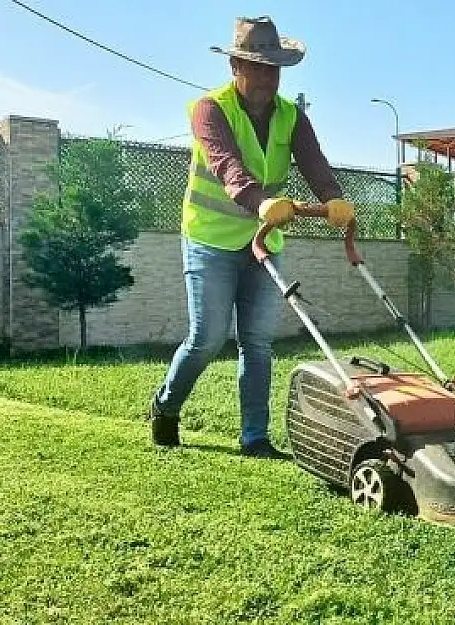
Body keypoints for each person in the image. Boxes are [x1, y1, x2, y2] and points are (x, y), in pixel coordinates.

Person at [148, 16, 355, 458]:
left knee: (258, 342)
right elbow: (225, 164)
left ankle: (255, 437)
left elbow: (313, 161)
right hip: (210, 239)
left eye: (273, 68)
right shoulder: (209, 109)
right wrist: (258, 200)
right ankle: (165, 407)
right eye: (257, 67)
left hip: (264, 242)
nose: (266, 77)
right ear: (235, 67)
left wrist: (333, 197)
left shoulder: (291, 116)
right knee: (206, 337)